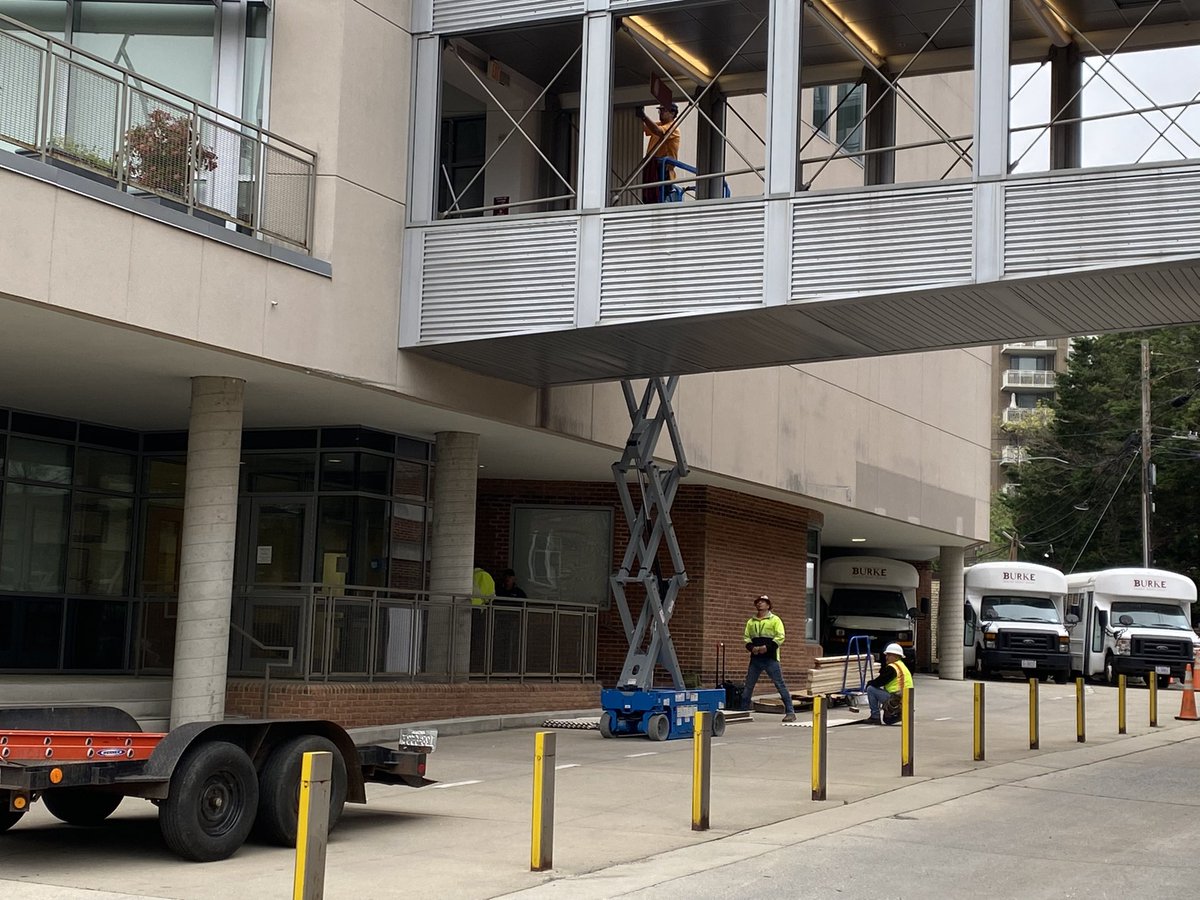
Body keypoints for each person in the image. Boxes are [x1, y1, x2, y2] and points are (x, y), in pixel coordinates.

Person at [741, 594, 796, 723]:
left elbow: (780, 637)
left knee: (779, 684)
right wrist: (751, 647)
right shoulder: (751, 622)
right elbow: (746, 638)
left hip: (770, 658)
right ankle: (742, 712)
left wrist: (767, 648)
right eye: (758, 602)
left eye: (763, 602)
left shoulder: (775, 620)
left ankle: (790, 712)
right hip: (756, 659)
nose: (760, 604)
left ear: (768, 605)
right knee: (748, 685)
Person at [637, 103, 681, 203]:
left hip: (663, 171)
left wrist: (643, 116)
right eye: (659, 111)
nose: (660, 113)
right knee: (648, 195)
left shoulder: (673, 128)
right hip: (653, 166)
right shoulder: (659, 125)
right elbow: (648, 128)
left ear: (672, 113)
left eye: (663, 111)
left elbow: (658, 131)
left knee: (657, 197)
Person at [862, 643, 912, 725]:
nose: (886, 657)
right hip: (904, 700)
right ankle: (899, 712)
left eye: (889, 655)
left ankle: (875, 717)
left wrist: (869, 683)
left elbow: (880, 681)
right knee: (887, 720)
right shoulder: (902, 666)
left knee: (871, 689)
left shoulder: (892, 667)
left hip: (897, 699)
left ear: (896, 656)